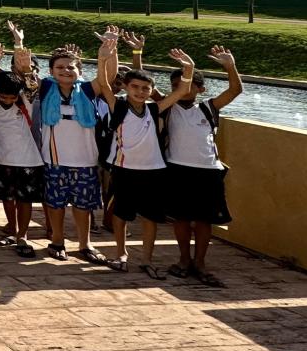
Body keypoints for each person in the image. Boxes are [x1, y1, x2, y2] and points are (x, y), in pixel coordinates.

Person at [95, 38, 195, 279]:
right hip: (123, 168)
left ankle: (147, 259)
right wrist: (102, 58)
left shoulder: (154, 108)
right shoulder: (117, 106)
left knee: (151, 217)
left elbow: (182, 90)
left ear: (150, 91)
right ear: (126, 87)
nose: (140, 92)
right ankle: (121, 254)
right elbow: (103, 84)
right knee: (120, 214)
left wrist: (188, 68)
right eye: (135, 87)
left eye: (145, 89)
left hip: (152, 170)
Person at [165, 46, 242, 286]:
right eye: (178, 84)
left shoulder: (208, 107)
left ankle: (200, 261)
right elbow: (140, 84)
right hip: (177, 169)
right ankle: (184, 259)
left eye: (188, 84)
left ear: (201, 89)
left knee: (203, 220)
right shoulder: (169, 106)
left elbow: (235, 90)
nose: (183, 88)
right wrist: (137, 53)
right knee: (180, 218)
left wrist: (230, 66)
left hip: (208, 171)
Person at [38, 47, 108, 264]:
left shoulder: (88, 90)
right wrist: (20, 49)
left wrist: (105, 57)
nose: (66, 71)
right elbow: (25, 77)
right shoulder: (46, 88)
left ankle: (85, 243)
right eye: (59, 67)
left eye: (71, 67)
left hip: (84, 159)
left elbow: (108, 79)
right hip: (55, 159)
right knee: (56, 204)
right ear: (51, 71)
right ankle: (57, 241)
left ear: (80, 70)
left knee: (83, 205)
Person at [0, 55, 45, 259]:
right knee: (7, 198)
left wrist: (25, 63)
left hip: (27, 160)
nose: (8, 100)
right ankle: (12, 228)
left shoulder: (25, 101)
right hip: (1, 159)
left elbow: (30, 85)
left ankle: (23, 235)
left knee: (24, 200)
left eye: (12, 97)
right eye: (4, 97)